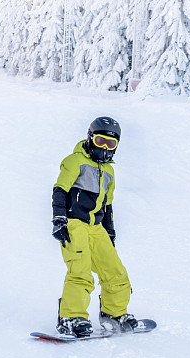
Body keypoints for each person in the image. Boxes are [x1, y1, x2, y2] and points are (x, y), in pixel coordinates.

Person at [51, 116, 137, 337]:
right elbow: (60, 190)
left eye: (111, 144)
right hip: (74, 223)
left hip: (96, 227)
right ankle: (71, 317)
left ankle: (114, 313)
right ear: (90, 138)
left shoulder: (109, 171)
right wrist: (59, 219)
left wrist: (109, 231)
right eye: (100, 141)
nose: (105, 148)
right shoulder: (74, 161)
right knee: (80, 272)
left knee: (115, 271)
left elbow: (107, 204)